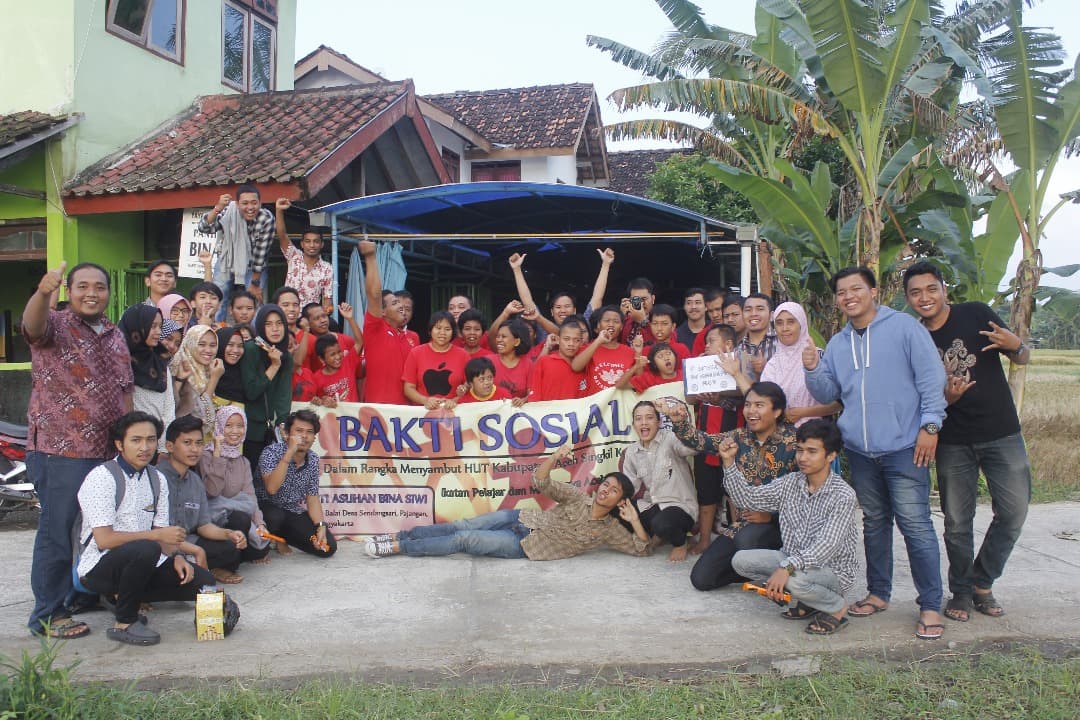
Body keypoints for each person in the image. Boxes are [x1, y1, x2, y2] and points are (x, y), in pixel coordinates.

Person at [804, 266, 947, 640]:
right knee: (875, 523)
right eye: (841, 292)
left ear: (873, 291)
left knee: (916, 526)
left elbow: (932, 381)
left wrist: (930, 427)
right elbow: (826, 393)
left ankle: (931, 604)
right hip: (860, 450)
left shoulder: (904, 329)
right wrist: (813, 368)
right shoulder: (837, 343)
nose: (849, 296)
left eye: (856, 288)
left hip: (905, 448)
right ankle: (879, 593)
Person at [903, 261, 1031, 622]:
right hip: (953, 440)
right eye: (915, 292)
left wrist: (1016, 344)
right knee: (957, 521)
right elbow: (920, 398)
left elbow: (1021, 357)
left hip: (1001, 432)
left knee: (1014, 512)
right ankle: (961, 590)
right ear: (908, 298)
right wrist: (949, 399)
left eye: (931, 289)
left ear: (944, 289)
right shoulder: (915, 336)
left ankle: (982, 581)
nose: (924, 298)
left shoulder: (975, 313)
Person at [24, 261, 134, 639]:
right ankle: (48, 613)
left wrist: (131, 441)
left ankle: (80, 595)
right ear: (69, 291)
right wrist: (42, 292)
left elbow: (125, 392)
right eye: (83, 286)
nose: (92, 293)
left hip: (106, 453)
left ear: (108, 292)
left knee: (95, 530)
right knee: (57, 532)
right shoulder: (55, 323)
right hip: (61, 449)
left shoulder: (114, 334)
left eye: (99, 286)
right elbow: (33, 326)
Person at [365, 444, 651, 560]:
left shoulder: (609, 530)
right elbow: (541, 482)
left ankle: (401, 547)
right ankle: (399, 535)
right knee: (459, 525)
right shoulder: (579, 497)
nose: (605, 490)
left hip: (527, 547)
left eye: (613, 491)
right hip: (521, 519)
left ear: (620, 501)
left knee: (465, 539)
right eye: (606, 484)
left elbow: (642, 549)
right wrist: (553, 459)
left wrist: (635, 521)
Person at [75, 412, 212, 646]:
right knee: (145, 548)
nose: (145, 447)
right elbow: (104, 540)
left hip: (144, 561)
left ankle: (125, 596)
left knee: (202, 581)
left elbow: (162, 532)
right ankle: (124, 621)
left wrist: (177, 555)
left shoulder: (157, 479)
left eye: (150, 440)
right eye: (136, 440)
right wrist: (156, 536)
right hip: (100, 567)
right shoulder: (102, 478)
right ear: (120, 444)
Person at [724, 420, 860, 636]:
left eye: (812, 451)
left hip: (832, 572)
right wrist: (730, 464)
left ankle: (837, 608)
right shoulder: (790, 483)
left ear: (831, 455)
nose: (803, 458)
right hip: (792, 559)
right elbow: (747, 499)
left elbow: (825, 546)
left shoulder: (843, 495)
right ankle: (810, 601)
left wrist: (785, 569)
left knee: (795, 581)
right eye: (799, 450)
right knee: (740, 560)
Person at [666, 383, 798, 592]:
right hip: (746, 524)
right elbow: (703, 442)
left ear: (777, 411)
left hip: (789, 527)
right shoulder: (739, 437)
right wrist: (680, 422)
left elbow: (810, 494)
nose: (751, 411)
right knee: (702, 579)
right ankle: (761, 570)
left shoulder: (795, 443)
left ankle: (786, 568)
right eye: (748, 405)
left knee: (747, 540)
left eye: (759, 405)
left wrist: (771, 517)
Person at [158, 415, 254, 585]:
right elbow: (155, 532)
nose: (194, 449)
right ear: (170, 446)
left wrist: (228, 534)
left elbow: (203, 526)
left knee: (231, 549)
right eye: (187, 443)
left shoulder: (195, 481)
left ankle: (206, 568)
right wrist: (196, 550)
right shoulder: (156, 478)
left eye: (199, 443)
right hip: (161, 545)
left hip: (189, 542)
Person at [686, 324, 750, 553]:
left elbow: (747, 393)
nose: (706, 345)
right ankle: (704, 539)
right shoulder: (700, 365)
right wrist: (698, 381)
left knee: (735, 493)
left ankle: (738, 539)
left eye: (711, 340)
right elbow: (691, 400)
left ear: (728, 345)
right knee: (706, 492)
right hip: (705, 440)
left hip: (734, 442)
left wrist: (719, 393)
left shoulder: (739, 366)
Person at [622, 401, 698, 562]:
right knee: (618, 509)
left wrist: (680, 422)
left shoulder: (670, 439)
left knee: (662, 523)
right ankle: (660, 534)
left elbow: (693, 449)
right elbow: (629, 487)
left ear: (659, 422)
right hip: (654, 505)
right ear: (634, 424)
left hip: (679, 506)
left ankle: (680, 543)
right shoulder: (631, 452)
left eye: (649, 418)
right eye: (638, 419)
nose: (643, 422)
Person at [256, 410, 336, 558]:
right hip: (264, 509)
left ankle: (284, 537)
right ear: (286, 434)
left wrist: (320, 526)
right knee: (275, 516)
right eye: (299, 431)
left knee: (327, 547)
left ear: (314, 437)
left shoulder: (313, 459)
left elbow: (312, 498)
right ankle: (273, 539)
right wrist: (289, 453)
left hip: (291, 511)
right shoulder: (271, 452)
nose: (304, 437)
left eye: (309, 432)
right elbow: (272, 489)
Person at [200, 406, 273, 566]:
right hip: (213, 519)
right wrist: (217, 455)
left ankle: (234, 555)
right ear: (219, 427)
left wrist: (260, 524)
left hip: (238, 518)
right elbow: (213, 491)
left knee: (262, 548)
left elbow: (250, 496)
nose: (235, 431)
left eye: (240, 426)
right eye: (228, 425)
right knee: (240, 518)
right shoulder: (206, 456)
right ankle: (227, 561)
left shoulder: (243, 461)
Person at [199, 185, 275, 317]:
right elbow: (204, 228)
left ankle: (253, 334)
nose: (250, 208)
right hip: (228, 260)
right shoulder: (229, 212)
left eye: (254, 203)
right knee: (218, 296)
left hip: (253, 265)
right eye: (245, 203)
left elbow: (260, 255)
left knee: (253, 300)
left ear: (260, 203)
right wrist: (218, 208)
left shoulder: (266, 219)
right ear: (237, 204)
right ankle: (215, 331)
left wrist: (254, 283)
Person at [761, 302, 841, 426]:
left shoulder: (818, 357)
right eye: (779, 323)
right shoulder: (772, 364)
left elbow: (838, 403)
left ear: (801, 324)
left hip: (815, 434)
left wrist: (804, 413)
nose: (785, 328)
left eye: (791, 321)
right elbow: (764, 401)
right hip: (780, 435)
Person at [359, 240, 417, 404]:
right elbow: (374, 295)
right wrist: (371, 258)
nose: (401, 307)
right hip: (379, 413)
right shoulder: (375, 329)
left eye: (400, 303)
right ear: (382, 311)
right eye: (394, 303)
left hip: (407, 415)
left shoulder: (414, 337)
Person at [239, 304, 293, 470]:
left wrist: (283, 423)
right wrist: (274, 366)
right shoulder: (250, 350)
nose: (275, 329)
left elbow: (284, 394)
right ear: (261, 326)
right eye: (268, 324)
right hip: (249, 430)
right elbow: (252, 391)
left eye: (279, 323)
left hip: (271, 432)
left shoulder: (285, 356)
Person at [119, 304, 174, 452]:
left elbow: (168, 410)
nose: (158, 332)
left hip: (156, 445)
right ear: (136, 327)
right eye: (152, 326)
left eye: (160, 326)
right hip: (129, 445)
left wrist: (162, 448)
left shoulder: (160, 361)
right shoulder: (121, 363)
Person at [402, 311, 470, 408]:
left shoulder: (463, 355)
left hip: (454, 414)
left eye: (447, 329)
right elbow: (408, 389)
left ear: (453, 332)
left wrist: (455, 400)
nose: (442, 333)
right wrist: (425, 400)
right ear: (431, 330)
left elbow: (469, 386)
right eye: (438, 328)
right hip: (423, 414)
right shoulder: (416, 353)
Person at [276, 197, 333, 310]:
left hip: (309, 320)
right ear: (302, 244)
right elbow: (282, 234)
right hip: (287, 314)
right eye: (308, 241)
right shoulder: (293, 256)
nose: (312, 245)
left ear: (321, 244)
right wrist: (278, 210)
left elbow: (327, 299)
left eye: (316, 241)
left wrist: (326, 312)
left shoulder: (327, 268)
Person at [171, 324, 224, 439]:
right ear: (191, 343)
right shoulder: (179, 368)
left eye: (213, 345)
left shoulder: (207, 370)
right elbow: (202, 415)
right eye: (201, 344)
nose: (208, 350)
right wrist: (214, 379)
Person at [573, 306, 635, 395]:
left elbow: (639, 380)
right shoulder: (588, 348)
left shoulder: (630, 352)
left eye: (616, 321)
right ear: (598, 325)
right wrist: (598, 341)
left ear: (621, 327)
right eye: (607, 321)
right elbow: (576, 367)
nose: (611, 324)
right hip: (595, 406)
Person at [311, 316, 366, 406]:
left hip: (353, 417)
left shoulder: (348, 362)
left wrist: (350, 318)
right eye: (332, 354)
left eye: (339, 352)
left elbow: (359, 341)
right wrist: (323, 400)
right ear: (321, 359)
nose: (338, 357)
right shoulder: (317, 378)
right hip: (333, 419)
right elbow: (316, 400)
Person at [531, 316, 587, 401]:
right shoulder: (545, 361)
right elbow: (534, 397)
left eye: (576, 340)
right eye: (566, 339)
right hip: (549, 413)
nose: (571, 344)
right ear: (558, 340)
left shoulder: (585, 363)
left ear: (581, 343)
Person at [295, 302, 360, 374]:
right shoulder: (307, 345)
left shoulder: (346, 340)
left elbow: (359, 372)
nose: (323, 320)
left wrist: (350, 318)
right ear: (308, 322)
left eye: (324, 316)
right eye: (317, 318)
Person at [491, 318, 534, 399]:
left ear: (517, 342)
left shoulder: (528, 364)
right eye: (498, 336)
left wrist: (523, 400)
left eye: (503, 337)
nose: (499, 340)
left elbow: (531, 394)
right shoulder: (489, 361)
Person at [457, 356, 526, 404]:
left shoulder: (504, 394)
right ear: (471, 383)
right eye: (481, 379)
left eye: (490, 377)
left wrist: (517, 403)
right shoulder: (463, 401)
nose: (487, 382)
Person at [739, 293, 777, 379]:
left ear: (771, 316)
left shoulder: (782, 343)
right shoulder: (737, 350)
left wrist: (767, 369)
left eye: (760, 309)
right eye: (748, 310)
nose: (753, 314)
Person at [212, 326, 247, 407]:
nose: (236, 350)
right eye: (230, 345)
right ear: (220, 345)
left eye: (240, 346)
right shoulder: (206, 373)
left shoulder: (243, 375)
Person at [619, 277, 656, 347]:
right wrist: (620, 317)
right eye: (636, 299)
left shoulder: (661, 317)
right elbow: (612, 341)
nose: (641, 303)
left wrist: (643, 321)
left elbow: (663, 343)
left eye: (644, 299)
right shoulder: (625, 319)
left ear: (653, 299)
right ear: (629, 300)